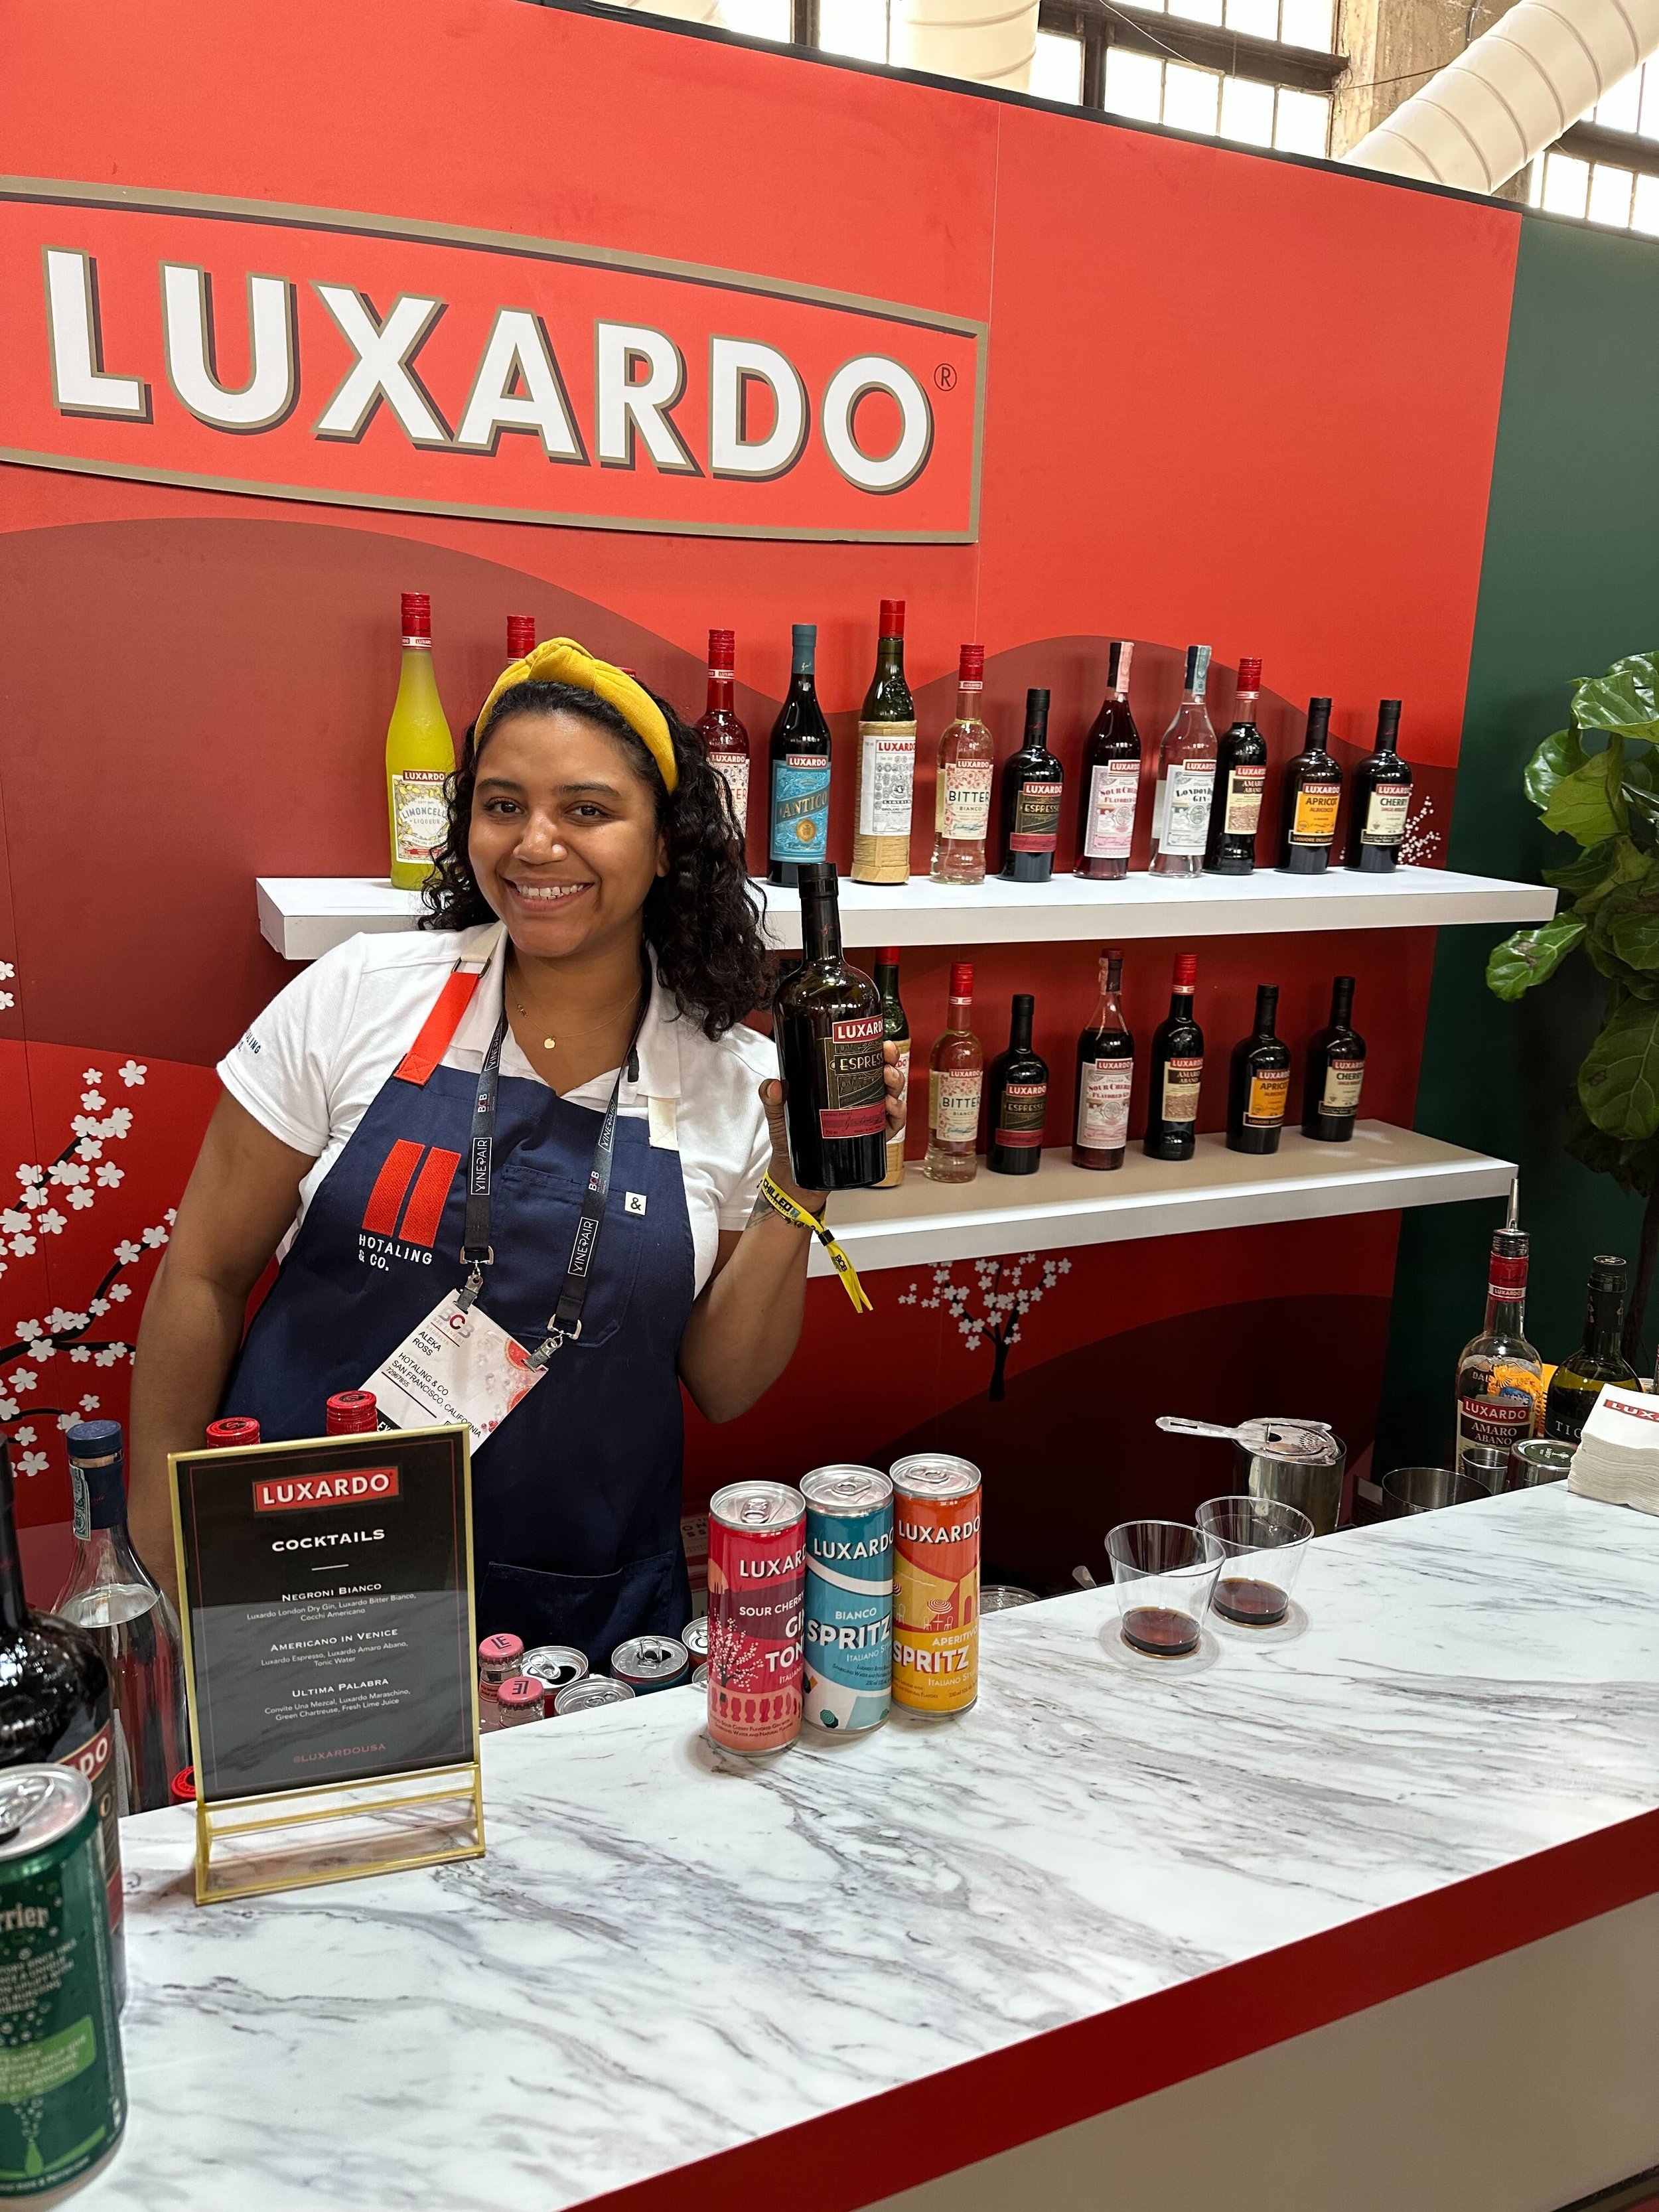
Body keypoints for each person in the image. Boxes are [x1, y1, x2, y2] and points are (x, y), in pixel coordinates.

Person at [128, 638, 902, 1656]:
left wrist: (799, 1186)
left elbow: (725, 1383)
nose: (537, 844)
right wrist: (163, 1555)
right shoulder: (360, 996)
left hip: (575, 1610)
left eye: (587, 809)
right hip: (299, 1580)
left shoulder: (733, 1079)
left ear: (666, 844)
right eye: (503, 805)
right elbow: (202, 1274)